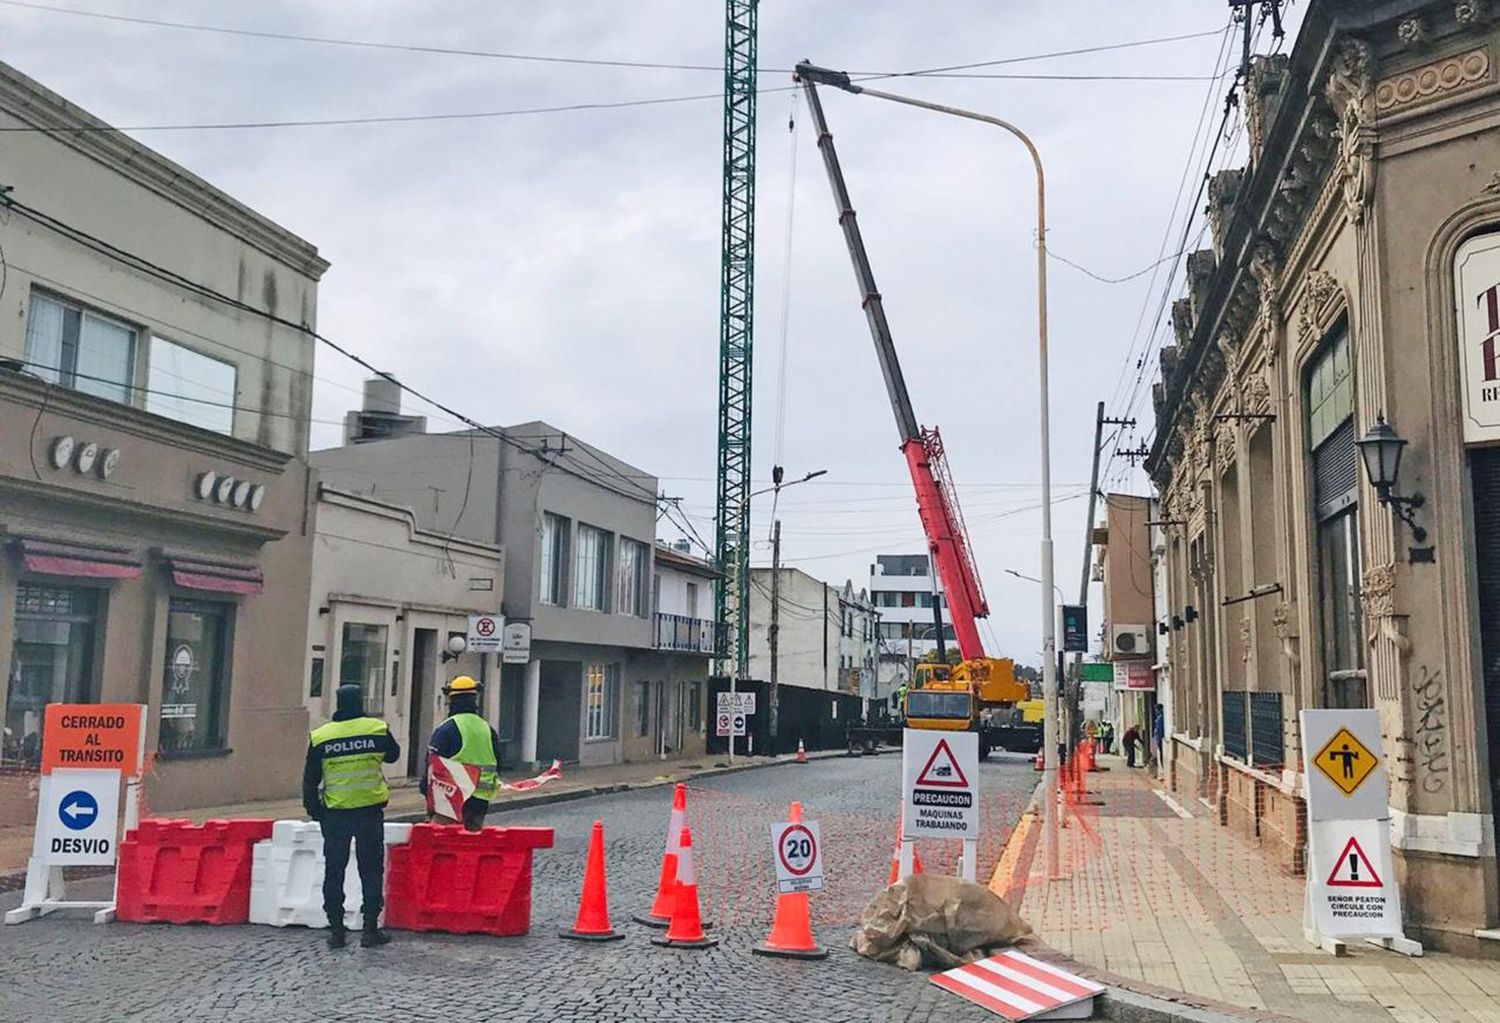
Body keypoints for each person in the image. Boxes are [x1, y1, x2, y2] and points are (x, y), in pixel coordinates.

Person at [303, 684, 401, 950]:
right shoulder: (376, 729)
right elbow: (394, 756)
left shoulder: (321, 736)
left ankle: (336, 931)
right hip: (369, 812)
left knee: (334, 870)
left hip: (335, 815)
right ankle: (370, 929)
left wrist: (315, 811)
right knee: (370, 870)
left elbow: (310, 780)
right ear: (361, 702)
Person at [419, 675, 503, 831]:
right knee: (472, 841)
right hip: (480, 800)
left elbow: (432, 765)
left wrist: (426, 791)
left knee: (445, 842)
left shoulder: (447, 729)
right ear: (474, 700)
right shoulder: (487, 729)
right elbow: (498, 763)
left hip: (452, 800)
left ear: (451, 701)